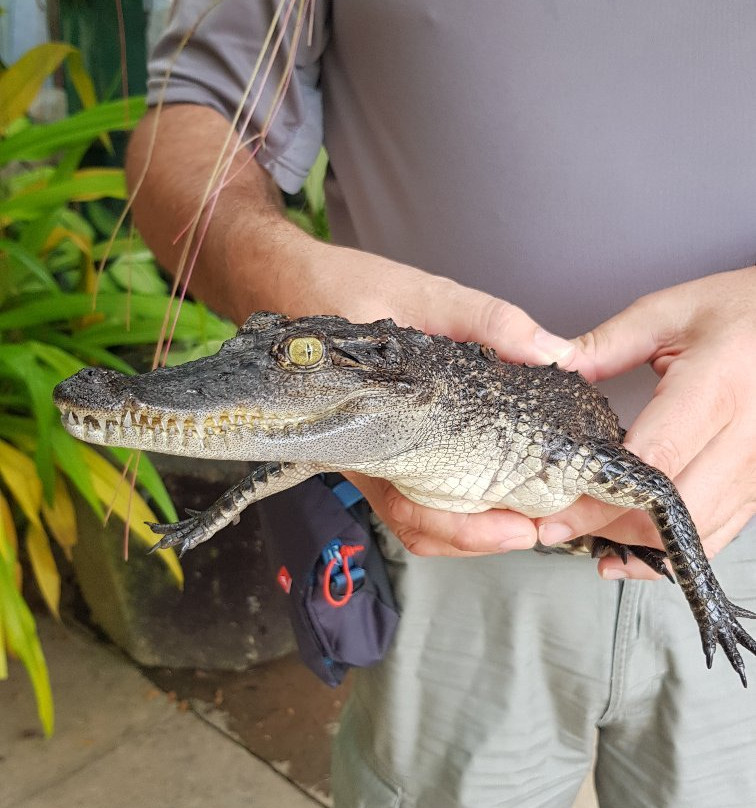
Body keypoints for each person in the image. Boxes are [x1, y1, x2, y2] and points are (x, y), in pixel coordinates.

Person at [126, 2, 756, 806]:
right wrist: (276, 277)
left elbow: (656, 485)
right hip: (437, 549)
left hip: (732, 531)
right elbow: (193, 110)